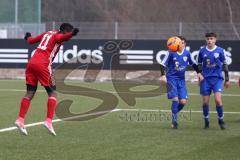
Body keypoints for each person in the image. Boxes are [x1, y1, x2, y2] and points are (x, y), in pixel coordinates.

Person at [15, 23, 79, 136]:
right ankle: (48, 121)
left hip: (31, 64)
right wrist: (71, 35)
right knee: (52, 93)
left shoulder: (47, 33)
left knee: (29, 92)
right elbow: (62, 37)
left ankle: (20, 119)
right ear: (64, 31)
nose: (68, 35)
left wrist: (28, 37)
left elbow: (31, 41)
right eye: (68, 32)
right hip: (43, 65)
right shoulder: (58, 36)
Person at [160, 36, 203, 129]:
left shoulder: (187, 53)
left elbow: (193, 64)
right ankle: (174, 122)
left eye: (182, 42)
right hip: (171, 79)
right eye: (179, 42)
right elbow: (162, 64)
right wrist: (163, 75)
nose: (180, 44)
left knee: (183, 102)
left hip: (181, 80)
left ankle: (173, 112)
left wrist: (199, 73)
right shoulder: (171, 53)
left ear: (185, 44)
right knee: (175, 99)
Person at [197, 32, 230, 130]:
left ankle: (221, 121)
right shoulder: (202, 51)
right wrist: (199, 76)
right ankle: (206, 121)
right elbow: (198, 64)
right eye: (208, 39)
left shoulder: (220, 51)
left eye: (211, 39)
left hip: (217, 79)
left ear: (215, 40)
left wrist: (227, 79)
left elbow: (225, 65)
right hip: (205, 80)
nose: (209, 41)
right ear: (206, 40)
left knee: (218, 100)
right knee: (205, 102)